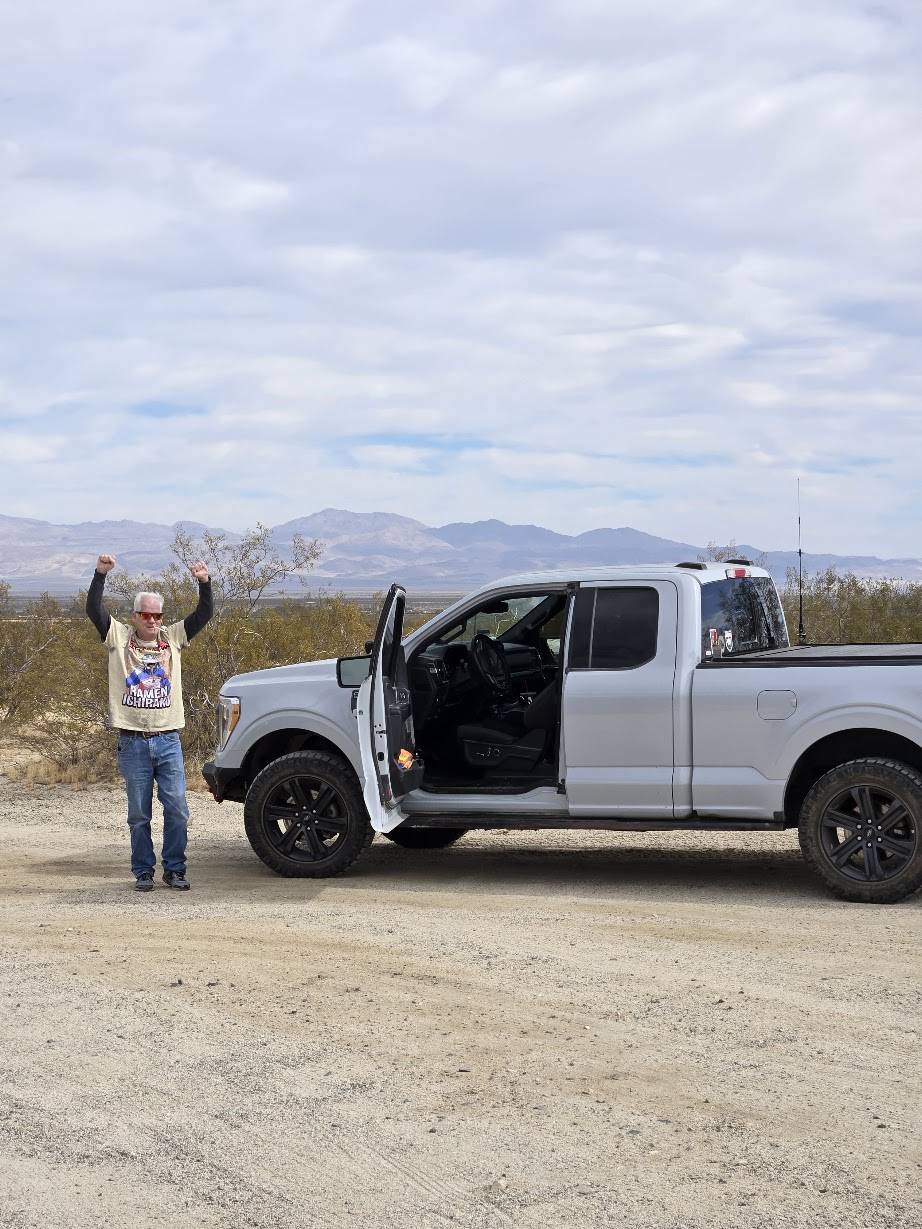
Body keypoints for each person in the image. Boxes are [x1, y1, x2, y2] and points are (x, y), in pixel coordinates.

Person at [86, 554, 213, 892]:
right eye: (146, 614)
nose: (153, 620)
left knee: (177, 810)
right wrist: (100, 575)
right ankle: (143, 871)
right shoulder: (118, 636)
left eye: (157, 615)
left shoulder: (172, 637)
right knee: (139, 815)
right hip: (133, 741)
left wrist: (204, 583)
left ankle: (175, 869)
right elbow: (93, 610)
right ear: (135, 616)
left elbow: (204, 615)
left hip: (168, 739)